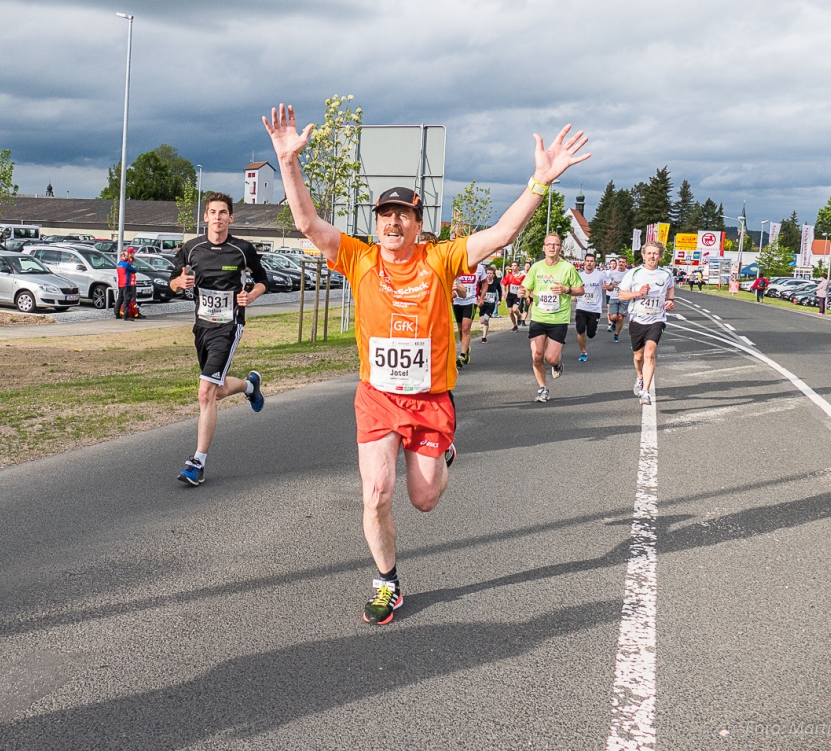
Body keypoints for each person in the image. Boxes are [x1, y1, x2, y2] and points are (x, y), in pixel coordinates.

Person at [264, 103, 590, 625]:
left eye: (405, 214)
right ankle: (387, 581)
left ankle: (443, 453)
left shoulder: (441, 259)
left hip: (430, 399)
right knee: (376, 494)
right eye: (385, 215)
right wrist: (288, 162)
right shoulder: (357, 256)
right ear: (375, 224)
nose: (394, 221)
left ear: (419, 223)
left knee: (424, 500)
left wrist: (540, 181)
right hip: (376, 397)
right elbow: (307, 222)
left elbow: (502, 235)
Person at [168, 192, 269, 486]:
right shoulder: (191, 249)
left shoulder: (241, 250)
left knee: (204, 393)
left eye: (223, 212)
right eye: (213, 212)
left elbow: (264, 280)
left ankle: (197, 463)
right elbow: (172, 282)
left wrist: (251, 295)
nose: (217, 217)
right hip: (201, 326)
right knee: (217, 389)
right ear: (205, 217)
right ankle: (250, 386)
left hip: (229, 326)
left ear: (231, 218)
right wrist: (179, 283)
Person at [521, 234, 584, 402]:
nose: (552, 247)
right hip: (539, 317)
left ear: (560, 248)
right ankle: (542, 388)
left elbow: (580, 290)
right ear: (544, 248)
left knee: (550, 357)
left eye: (556, 245)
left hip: (558, 319)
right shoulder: (536, 268)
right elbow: (526, 288)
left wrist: (566, 290)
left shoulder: (568, 268)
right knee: (537, 355)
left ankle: (557, 364)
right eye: (549, 244)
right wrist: (523, 292)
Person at [618, 241, 675, 406]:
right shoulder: (634, 273)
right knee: (638, 356)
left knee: (649, 353)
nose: (652, 256)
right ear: (643, 255)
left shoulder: (666, 274)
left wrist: (670, 301)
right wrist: (638, 293)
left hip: (657, 319)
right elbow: (622, 295)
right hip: (637, 319)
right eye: (649, 253)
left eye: (655, 253)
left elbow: (670, 289)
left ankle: (645, 392)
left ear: (660, 256)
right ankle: (640, 377)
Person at [452, 260, 485, 366]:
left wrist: (482, 297)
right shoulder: (457, 267)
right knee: (461, 329)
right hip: (457, 301)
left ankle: (462, 354)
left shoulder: (479, 268)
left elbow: (485, 282)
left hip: (470, 301)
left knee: (466, 328)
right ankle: (466, 350)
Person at [574, 252, 605, 362]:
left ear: (595, 263)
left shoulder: (600, 275)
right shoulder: (579, 276)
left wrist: (609, 286)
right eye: (587, 261)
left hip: (595, 308)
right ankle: (583, 352)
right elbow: (574, 289)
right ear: (584, 262)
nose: (589, 263)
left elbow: (610, 286)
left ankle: (593, 329)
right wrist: (573, 295)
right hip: (581, 307)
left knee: (590, 334)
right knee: (580, 329)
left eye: (591, 261)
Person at [604, 256, 630, 341]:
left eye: (623, 262)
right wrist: (612, 284)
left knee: (621, 317)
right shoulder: (612, 273)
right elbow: (609, 287)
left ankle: (616, 334)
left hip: (624, 297)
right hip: (614, 296)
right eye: (620, 262)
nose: (621, 263)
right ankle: (613, 323)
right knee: (613, 317)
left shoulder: (629, 273)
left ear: (626, 264)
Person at [114, 249, 144, 320]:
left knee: (120, 299)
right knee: (126, 300)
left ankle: (117, 313)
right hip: (126, 284)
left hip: (120, 283)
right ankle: (126, 315)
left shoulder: (119, 264)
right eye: (127, 256)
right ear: (125, 256)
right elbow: (134, 270)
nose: (128, 257)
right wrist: (133, 267)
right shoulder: (126, 264)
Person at [477, 265, 501, 343]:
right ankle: (484, 333)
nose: (489, 275)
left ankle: (484, 337)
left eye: (491, 273)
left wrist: (499, 300)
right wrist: (480, 297)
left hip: (491, 304)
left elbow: (499, 291)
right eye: (487, 273)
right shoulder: (482, 282)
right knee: (481, 321)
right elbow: (477, 291)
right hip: (483, 304)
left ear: (493, 275)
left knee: (486, 319)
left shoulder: (496, 283)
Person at [502, 260, 526, 332]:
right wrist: (504, 292)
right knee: (510, 312)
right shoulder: (509, 275)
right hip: (510, 295)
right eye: (512, 266)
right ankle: (515, 326)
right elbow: (503, 284)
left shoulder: (522, 276)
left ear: (518, 267)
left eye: (515, 266)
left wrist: (524, 293)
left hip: (517, 295)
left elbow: (526, 285)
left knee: (515, 309)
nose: (513, 267)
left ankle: (519, 315)